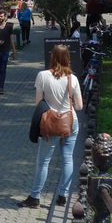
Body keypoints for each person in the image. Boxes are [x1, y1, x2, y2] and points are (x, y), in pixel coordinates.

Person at [18, 44, 83, 209]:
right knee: (68, 159)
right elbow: (80, 106)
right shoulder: (72, 78)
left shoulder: (42, 76)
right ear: (68, 58)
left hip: (50, 124)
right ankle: (63, 195)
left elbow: (38, 103)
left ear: (52, 57)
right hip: (70, 122)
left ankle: (35, 196)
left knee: (44, 161)